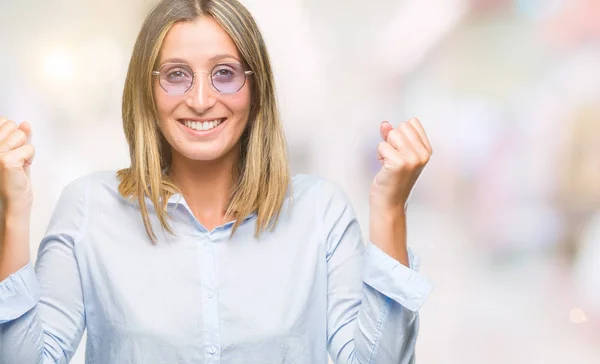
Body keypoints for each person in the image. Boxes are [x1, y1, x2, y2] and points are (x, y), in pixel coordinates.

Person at [0, 0, 434, 363]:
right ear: (145, 91)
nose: (202, 100)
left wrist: (391, 209)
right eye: (176, 75)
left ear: (254, 87)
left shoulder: (321, 212)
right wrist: (11, 213)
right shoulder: (89, 208)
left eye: (224, 73)